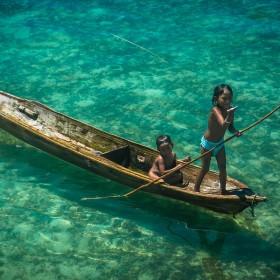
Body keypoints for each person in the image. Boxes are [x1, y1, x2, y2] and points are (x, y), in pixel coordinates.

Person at [194, 84, 241, 194]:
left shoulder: (230, 110)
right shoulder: (215, 110)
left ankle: (223, 191)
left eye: (230, 98)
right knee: (205, 168)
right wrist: (229, 115)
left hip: (219, 144)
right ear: (216, 99)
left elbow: (230, 126)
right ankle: (196, 190)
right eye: (224, 98)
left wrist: (235, 132)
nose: (227, 101)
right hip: (207, 145)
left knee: (223, 168)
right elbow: (223, 125)